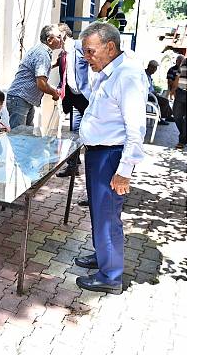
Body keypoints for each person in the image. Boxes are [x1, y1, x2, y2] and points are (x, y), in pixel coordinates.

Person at [72, 22, 148, 295]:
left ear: (110, 47)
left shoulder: (126, 75)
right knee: (98, 211)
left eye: (90, 52)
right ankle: (102, 255)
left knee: (107, 216)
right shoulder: (109, 71)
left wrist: (124, 169)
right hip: (99, 153)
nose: (86, 57)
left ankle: (110, 275)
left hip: (111, 155)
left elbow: (136, 127)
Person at [6, 24, 63, 129]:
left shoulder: (41, 50)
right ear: (50, 40)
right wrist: (54, 93)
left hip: (24, 99)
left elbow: (39, 69)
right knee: (19, 137)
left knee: (26, 136)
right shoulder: (43, 54)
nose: (62, 40)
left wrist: (56, 64)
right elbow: (41, 84)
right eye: (59, 37)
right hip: (20, 98)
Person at [55, 23, 90, 178]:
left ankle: (92, 170)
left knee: (89, 134)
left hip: (87, 98)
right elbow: (64, 76)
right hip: (74, 98)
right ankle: (73, 166)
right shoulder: (62, 54)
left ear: (63, 35)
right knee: (75, 134)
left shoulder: (80, 47)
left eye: (55, 35)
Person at [145, 60, 172, 125]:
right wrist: (153, 93)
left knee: (165, 99)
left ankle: (168, 116)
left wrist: (155, 92)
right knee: (165, 101)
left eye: (156, 68)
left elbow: (150, 87)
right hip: (147, 95)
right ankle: (160, 119)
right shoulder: (145, 75)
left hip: (151, 94)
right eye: (154, 68)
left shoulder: (149, 75)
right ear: (149, 67)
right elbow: (146, 89)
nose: (155, 70)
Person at [173, 57, 187, 149]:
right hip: (180, 92)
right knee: (176, 115)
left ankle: (182, 140)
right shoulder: (185, 62)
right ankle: (184, 134)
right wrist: (174, 89)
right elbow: (178, 76)